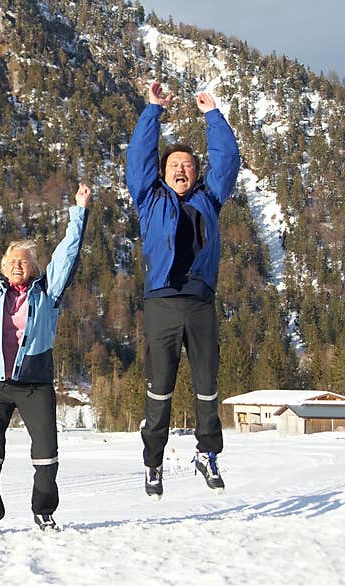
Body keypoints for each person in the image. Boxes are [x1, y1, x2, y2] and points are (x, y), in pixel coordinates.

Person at [0, 170, 91, 532]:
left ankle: (43, 509)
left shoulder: (48, 292)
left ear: (34, 267)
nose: (18, 264)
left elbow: (67, 255)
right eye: (12, 260)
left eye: (25, 261)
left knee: (46, 452)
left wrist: (78, 211)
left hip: (35, 382)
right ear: (2, 268)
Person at [125, 82, 241, 498]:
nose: (181, 170)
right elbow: (138, 158)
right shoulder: (149, 198)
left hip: (201, 303)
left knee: (207, 384)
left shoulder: (210, 198)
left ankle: (207, 454)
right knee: (160, 385)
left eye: (188, 165)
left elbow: (228, 161)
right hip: (162, 303)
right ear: (163, 171)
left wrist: (213, 116)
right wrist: (152, 110)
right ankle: (153, 461)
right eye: (174, 164)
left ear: (196, 172)